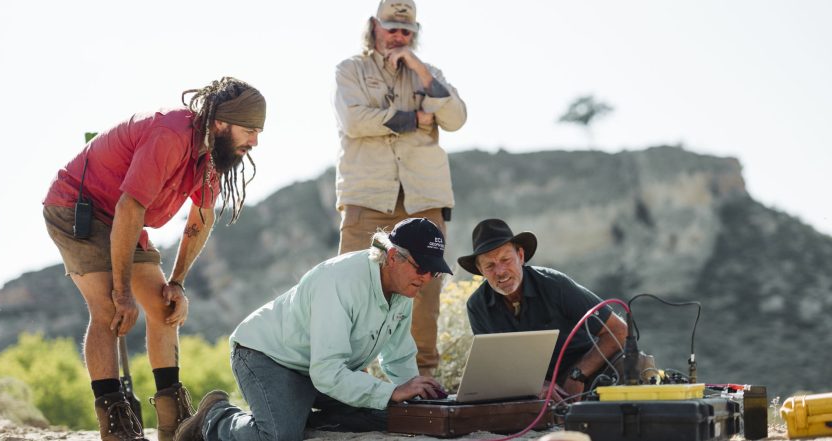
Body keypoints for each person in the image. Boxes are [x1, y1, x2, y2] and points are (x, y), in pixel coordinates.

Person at [42, 77, 266, 441]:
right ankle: (115, 419)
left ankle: (173, 423)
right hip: (76, 207)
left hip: (123, 218)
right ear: (221, 123)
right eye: (250, 130)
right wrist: (122, 291)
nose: (255, 142)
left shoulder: (213, 154)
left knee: (164, 308)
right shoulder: (171, 135)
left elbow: (201, 217)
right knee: (110, 309)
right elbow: (131, 206)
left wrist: (176, 282)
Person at [175, 218, 450, 441]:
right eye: (421, 267)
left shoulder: (404, 288)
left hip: (320, 370)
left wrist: (415, 398)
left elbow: (398, 357)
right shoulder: (339, 281)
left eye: (433, 271)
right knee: (279, 435)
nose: (426, 278)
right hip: (266, 356)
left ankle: (297, 411)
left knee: (388, 416)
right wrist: (390, 392)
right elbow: (327, 372)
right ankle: (215, 418)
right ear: (393, 256)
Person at [332, 0, 467, 377]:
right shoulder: (350, 70)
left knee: (425, 294)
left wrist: (420, 70)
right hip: (367, 197)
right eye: (391, 27)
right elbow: (355, 121)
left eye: (407, 31)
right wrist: (416, 118)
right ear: (374, 25)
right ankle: (342, 379)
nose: (398, 36)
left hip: (425, 199)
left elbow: (456, 118)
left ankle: (423, 379)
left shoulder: (428, 74)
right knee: (353, 287)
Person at [458, 219, 628, 401]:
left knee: (633, 364)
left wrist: (578, 375)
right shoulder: (477, 306)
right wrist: (536, 385)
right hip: (529, 390)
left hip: (587, 372)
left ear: (521, 256)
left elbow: (618, 330)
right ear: (480, 270)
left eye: (505, 260)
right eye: (490, 266)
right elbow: (496, 366)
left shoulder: (555, 285)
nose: (500, 271)